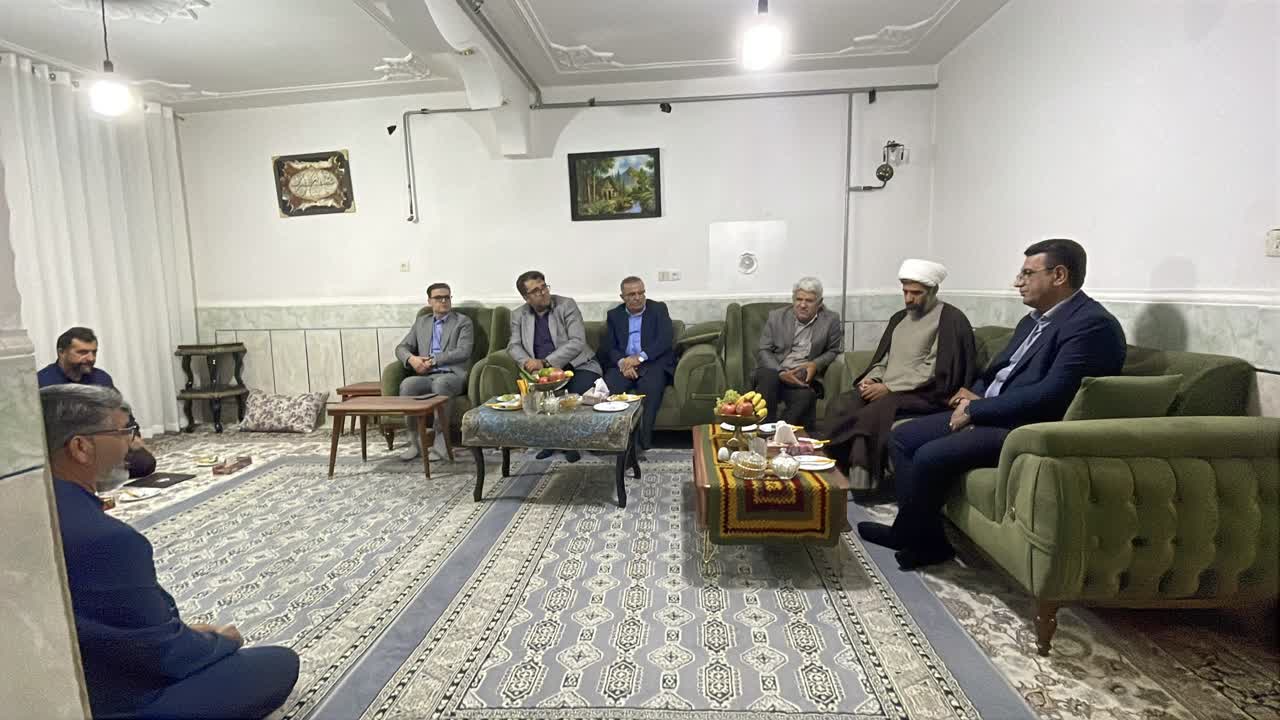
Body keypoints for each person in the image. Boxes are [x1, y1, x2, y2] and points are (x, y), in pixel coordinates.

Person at [858, 239, 1127, 570]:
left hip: (1024, 426)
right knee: (901, 437)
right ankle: (914, 533)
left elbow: (1053, 395)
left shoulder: (1091, 325)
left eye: (1027, 273)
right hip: (990, 411)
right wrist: (973, 395)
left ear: (1059, 275)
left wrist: (975, 410)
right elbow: (996, 371)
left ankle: (927, 545)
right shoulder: (1032, 321)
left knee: (929, 455)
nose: (1017, 281)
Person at [41, 384, 299, 719]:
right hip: (105, 700)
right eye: (123, 432)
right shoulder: (108, 539)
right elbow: (165, 655)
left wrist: (183, 632)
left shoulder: (35, 507)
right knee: (277, 664)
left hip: (49, 678)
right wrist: (222, 641)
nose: (133, 443)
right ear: (80, 447)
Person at [819, 259, 977, 492]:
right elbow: (884, 359)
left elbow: (936, 369)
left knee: (872, 414)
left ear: (933, 291)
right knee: (842, 403)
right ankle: (837, 471)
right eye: (905, 292)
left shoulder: (950, 320)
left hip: (926, 394)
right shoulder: (899, 318)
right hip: (889, 388)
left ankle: (865, 483)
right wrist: (873, 379)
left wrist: (890, 388)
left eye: (916, 293)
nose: (909, 298)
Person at [508, 270, 603, 461]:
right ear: (526, 297)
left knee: (571, 393)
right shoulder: (518, 315)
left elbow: (577, 341)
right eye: (536, 291)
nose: (543, 292)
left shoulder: (566, 305)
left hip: (577, 366)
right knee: (537, 394)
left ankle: (571, 443)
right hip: (541, 372)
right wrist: (527, 362)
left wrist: (546, 362)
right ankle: (551, 441)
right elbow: (513, 345)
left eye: (544, 287)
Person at [37, 326, 156, 478]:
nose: (91, 358)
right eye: (82, 352)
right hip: (67, 450)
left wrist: (133, 436)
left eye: (94, 352)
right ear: (61, 352)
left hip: (101, 446)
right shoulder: (43, 382)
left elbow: (122, 413)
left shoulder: (101, 378)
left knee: (145, 463)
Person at [394, 282, 474, 462]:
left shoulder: (463, 322)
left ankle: (441, 444)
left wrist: (433, 360)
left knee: (441, 384)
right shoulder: (422, 322)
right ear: (429, 301)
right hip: (427, 375)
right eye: (438, 298)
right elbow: (401, 347)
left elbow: (463, 351)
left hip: (452, 375)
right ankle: (415, 443)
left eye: (447, 297)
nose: (444, 301)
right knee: (408, 385)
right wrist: (412, 359)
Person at [752, 276, 845, 427]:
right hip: (775, 371)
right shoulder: (777, 317)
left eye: (809, 301)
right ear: (793, 299)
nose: (802, 305)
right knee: (768, 378)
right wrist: (781, 372)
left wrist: (815, 364)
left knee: (806, 397)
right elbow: (764, 349)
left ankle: (779, 432)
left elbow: (833, 350)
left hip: (800, 378)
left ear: (819, 303)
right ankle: (764, 428)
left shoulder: (831, 319)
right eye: (799, 299)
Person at [600, 276, 674, 453]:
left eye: (641, 293)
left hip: (652, 362)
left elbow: (664, 340)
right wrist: (623, 363)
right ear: (622, 297)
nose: (638, 297)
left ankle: (642, 443)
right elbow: (610, 347)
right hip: (624, 363)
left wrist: (639, 358)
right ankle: (614, 441)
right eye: (632, 294)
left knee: (650, 389)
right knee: (610, 388)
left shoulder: (658, 309)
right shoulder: (614, 315)